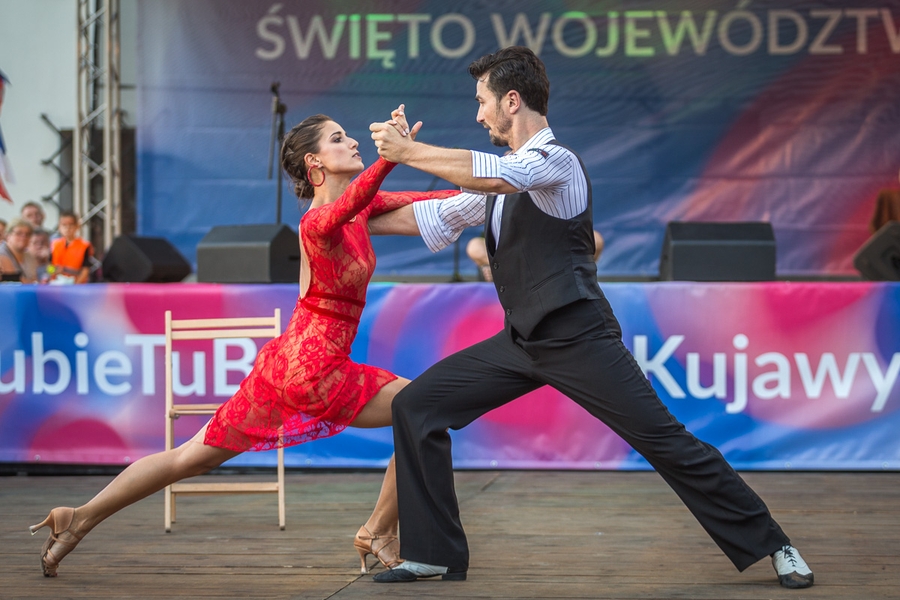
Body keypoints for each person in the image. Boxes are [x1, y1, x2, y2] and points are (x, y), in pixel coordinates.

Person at [367, 46, 814, 589]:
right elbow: (427, 216)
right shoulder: (497, 185)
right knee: (416, 406)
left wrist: (409, 151)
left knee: (666, 442)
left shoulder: (555, 163)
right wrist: (336, 211)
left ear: (512, 101)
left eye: (482, 102)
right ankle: (433, 553)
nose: (478, 114)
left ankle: (775, 544)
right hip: (522, 341)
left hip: (579, 337)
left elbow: (500, 176)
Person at [28, 110, 460, 578]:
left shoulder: (359, 209)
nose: (353, 142)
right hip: (314, 369)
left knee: (189, 457)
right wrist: (393, 156)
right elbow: (358, 195)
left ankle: (78, 518)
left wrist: (492, 190)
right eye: (339, 138)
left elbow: (434, 201)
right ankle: (378, 529)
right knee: (422, 410)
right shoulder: (317, 222)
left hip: (287, 365)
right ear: (315, 163)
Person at [467, 229, 603, 281]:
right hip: (513, 270)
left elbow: (596, 240)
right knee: (474, 245)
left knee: (594, 238)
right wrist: (494, 264)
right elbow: (474, 247)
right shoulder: (502, 200)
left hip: (556, 270)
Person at [50, 211, 94, 284]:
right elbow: (49, 266)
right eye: (64, 225)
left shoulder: (84, 245)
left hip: (75, 283)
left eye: (71, 225)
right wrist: (53, 271)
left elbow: (86, 269)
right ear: (59, 227)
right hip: (56, 283)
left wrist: (77, 284)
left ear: (77, 226)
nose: (67, 228)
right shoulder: (54, 244)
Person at [0, 218, 38, 283]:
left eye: (27, 234)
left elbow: (34, 279)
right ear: (8, 236)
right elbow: (12, 281)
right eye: (19, 233)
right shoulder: (2, 255)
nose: (24, 237)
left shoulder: (29, 257)